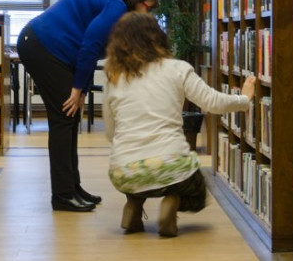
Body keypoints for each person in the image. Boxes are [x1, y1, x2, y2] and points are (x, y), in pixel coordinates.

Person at [102, 12, 255, 236]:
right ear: (158, 37)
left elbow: (110, 131)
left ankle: (134, 203)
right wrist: (244, 99)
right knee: (195, 187)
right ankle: (171, 202)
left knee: (140, 167)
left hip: (123, 173)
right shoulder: (178, 69)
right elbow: (212, 102)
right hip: (171, 165)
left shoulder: (113, 75)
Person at [16, 0, 159, 212]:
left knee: (70, 116)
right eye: (148, 8)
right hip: (41, 46)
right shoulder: (116, 7)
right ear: (138, 0)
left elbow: (90, 50)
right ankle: (63, 195)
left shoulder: (114, 8)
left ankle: (73, 188)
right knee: (64, 117)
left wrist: (81, 89)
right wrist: (76, 89)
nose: (149, 15)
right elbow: (90, 44)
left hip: (53, 50)